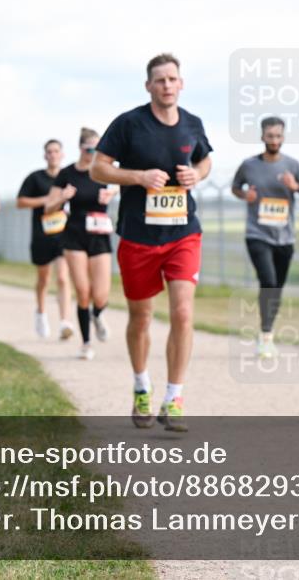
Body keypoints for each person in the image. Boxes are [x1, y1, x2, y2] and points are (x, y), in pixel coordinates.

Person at [91, 52, 212, 433]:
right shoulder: (129, 124)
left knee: (183, 313)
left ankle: (175, 398)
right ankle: (142, 386)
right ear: (148, 86)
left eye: (172, 79)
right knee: (141, 317)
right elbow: (98, 168)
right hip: (138, 237)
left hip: (183, 233)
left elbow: (205, 161)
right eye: (160, 80)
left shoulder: (192, 123)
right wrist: (138, 177)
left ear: (181, 84)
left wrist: (196, 175)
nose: (167, 85)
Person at [231, 116, 299, 358]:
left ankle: (266, 333)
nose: (274, 140)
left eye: (278, 136)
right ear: (262, 137)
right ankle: (265, 336)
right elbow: (236, 187)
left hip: (285, 237)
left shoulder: (292, 165)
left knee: (276, 286)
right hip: (257, 233)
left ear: (283, 137)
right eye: (270, 136)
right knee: (268, 281)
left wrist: (295, 187)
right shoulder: (249, 165)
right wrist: (244, 195)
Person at [45, 130, 115, 359]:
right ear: (80, 148)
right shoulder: (67, 174)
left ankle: (98, 314)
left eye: (97, 149)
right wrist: (63, 197)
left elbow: (123, 183)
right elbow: (48, 208)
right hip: (75, 236)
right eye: (89, 149)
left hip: (99, 235)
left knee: (101, 295)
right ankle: (86, 343)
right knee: (83, 292)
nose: (93, 153)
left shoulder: (105, 171)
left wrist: (113, 192)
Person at [17, 139, 76, 341]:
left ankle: (65, 321)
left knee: (62, 277)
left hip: (63, 233)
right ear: (45, 155)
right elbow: (20, 202)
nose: (53, 155)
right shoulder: (35, 178)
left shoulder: (68, 176)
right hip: (41, 233)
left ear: (62, 154)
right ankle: (41, 313)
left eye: (56, 151)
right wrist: (47, 200)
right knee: (44, 278)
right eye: (49, 151)